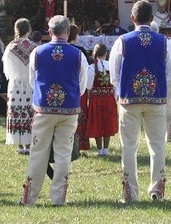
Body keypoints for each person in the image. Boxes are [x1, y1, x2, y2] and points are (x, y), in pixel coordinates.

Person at [20, 15, 92, 206]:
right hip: (68, 110)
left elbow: (32, 82)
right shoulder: (78, 55)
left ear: (49, 32)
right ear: (68, 32)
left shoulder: (37, 52)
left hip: (43, 109)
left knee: (38, 152)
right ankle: (58, 198)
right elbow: (82, 86)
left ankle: (29, 198)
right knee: (63, 154)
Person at [111, 0, 171, 203]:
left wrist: (122, 93)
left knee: (129, 146)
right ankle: (157, 190)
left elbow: (115, 74)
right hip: (156, 99)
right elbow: (168, 72)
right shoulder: (164, 42)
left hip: (130, 99)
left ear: (132, 19)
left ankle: (130, 193)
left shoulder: (122, 41)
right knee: (157, 146)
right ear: (152, 18)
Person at [2, 18, 36, 155]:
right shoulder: (34, 47)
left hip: (16, 84)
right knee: (29, 113)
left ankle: (20, 145)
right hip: (30, 84)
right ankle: (28, 144)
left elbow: (6, 69)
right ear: (29, 30)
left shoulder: (11, 47)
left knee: (18, 112)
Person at [86, 43, 118, 156]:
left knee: (97, 122)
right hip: (109, 98)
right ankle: (106, 149)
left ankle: (100, 150)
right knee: (107, 122)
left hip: (96, 99)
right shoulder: (111, 66)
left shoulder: (91, 68)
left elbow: (88, 86)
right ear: (106, 53)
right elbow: (115, 83)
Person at [69, 25, 91, 153]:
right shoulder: (80, 51)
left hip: (69, 86)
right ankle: (80, 143)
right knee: (79, 116)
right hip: (79, 87)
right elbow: (86, 71)